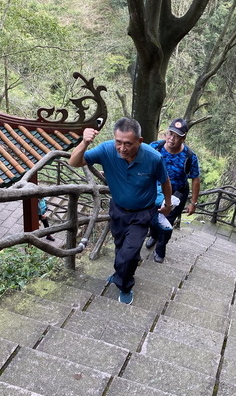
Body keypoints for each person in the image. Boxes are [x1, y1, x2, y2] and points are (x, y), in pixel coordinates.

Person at [69, 117, 172, 305]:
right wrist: (84, 142)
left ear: (139, 142)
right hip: (118, 209)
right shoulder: (107, 149)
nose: (122, 148)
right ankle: (119, 272)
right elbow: (74, 162)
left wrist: (167, 203)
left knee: (130, 252)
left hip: (142, 212)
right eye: (119, 142)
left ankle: (125, 285)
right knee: (120, 246)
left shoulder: (153, 158)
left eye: (128, 144)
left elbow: (165, 181)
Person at [146, 118, 200, 263]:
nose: (172, 138)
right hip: (155, 190)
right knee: (152, 216)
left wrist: (193, 203)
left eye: (176, 136)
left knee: (167, 222)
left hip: (176, 194)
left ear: (183, 138)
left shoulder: (189, 157)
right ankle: (153, 236)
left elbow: (195, 178)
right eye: (170, 134)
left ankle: (160, 250)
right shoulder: (154, 147)